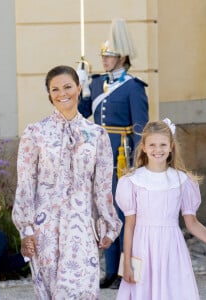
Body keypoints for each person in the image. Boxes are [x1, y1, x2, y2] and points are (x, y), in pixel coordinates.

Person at [12, 65, 122, 299]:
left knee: (80, 290)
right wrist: (26, 229)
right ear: (49, 95)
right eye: (55, 89)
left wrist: (108, 226)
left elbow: (103, 187)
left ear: (79, 88)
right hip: (45, 228)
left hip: (81, 227)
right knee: (49, 292)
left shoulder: (97, 135)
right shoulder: (35, 133)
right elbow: (25, 183)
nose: (62, 93)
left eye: (68, 87)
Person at [115, 119, 206, 300]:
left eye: (163, 144)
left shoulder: (183, 181)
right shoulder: (132, 181)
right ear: (143, 146)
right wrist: (126, 262)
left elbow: (192, 222)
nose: (157, 149)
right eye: (152, 145)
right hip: (141, 248)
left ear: (171, 146)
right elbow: (129, 225)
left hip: (171, 247)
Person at [78, 18, 149, 289]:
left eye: (109, 56)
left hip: (123, 155)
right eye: (103, 56)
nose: (104, 60)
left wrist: (138, 163)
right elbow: (83, 113)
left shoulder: (133, 87)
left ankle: (124, 268)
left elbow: (141, 128)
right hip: (98, 155)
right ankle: (110, 271)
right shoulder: (97, 84)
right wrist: (82, 86)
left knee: (122, 213)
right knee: (103, 212)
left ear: (122, 57)